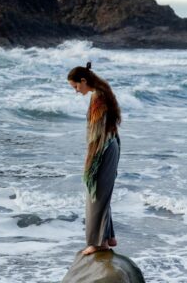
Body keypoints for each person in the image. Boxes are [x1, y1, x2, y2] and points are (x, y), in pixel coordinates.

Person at [67, 61, 121, 255]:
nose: (76, 91)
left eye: (75, 86)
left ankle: (98, 243)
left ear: (83, 81)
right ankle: (108, 237)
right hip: (111, 145)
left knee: (95, 194)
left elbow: (97, 133)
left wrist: (90, 161)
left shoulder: (98, 97)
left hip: (103, 148)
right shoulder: (102, 91)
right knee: (101, 193)